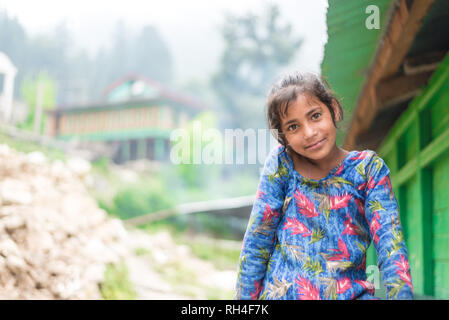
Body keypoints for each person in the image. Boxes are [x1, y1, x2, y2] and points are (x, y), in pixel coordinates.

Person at [234, 71, 414, 300]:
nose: (309, 133)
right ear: (283, 137)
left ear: (334, 110)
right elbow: (256, 243)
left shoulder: (368, 170)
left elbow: (391, 247)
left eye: (315, 115)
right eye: (293, 127)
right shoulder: (282, 165)